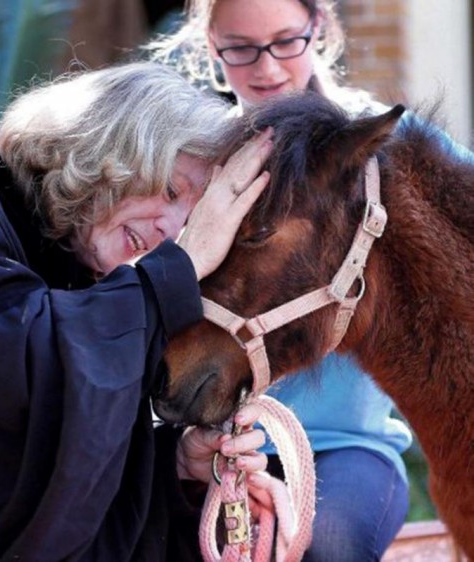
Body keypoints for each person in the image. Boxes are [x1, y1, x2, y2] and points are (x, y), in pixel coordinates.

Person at [0, 61, 275, 561]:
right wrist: (171, 273)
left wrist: (175, 463)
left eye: (190, 224)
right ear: (112, 147)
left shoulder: (82, 277)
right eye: (170, 190)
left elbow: (50, 460)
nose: (169, 230)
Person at [148, 2, 415, 560]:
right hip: (215, 440)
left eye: (286, 41)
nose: (266, 69)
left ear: (318, 28)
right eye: (241, 48)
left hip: (343, 448)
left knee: (331, 546)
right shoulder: (194, 160)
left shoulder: (375, 144)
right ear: (209, 45)